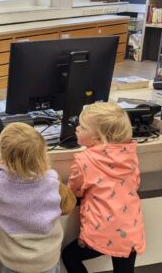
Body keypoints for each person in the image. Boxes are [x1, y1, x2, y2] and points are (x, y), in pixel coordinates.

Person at [0, 122, 77, 273]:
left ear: (4, 156)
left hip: (13, 261)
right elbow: (68, 205)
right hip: (47, 260)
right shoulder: (52, 181)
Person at [62, 102, 146, 273]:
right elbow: (135, 183)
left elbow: (74, 191)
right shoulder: (130, 154)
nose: (77, 128)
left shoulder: (84, 159)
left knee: (69, 256)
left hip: (101, 234)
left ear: (98, 138)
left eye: (83, 127)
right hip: (130, 232)